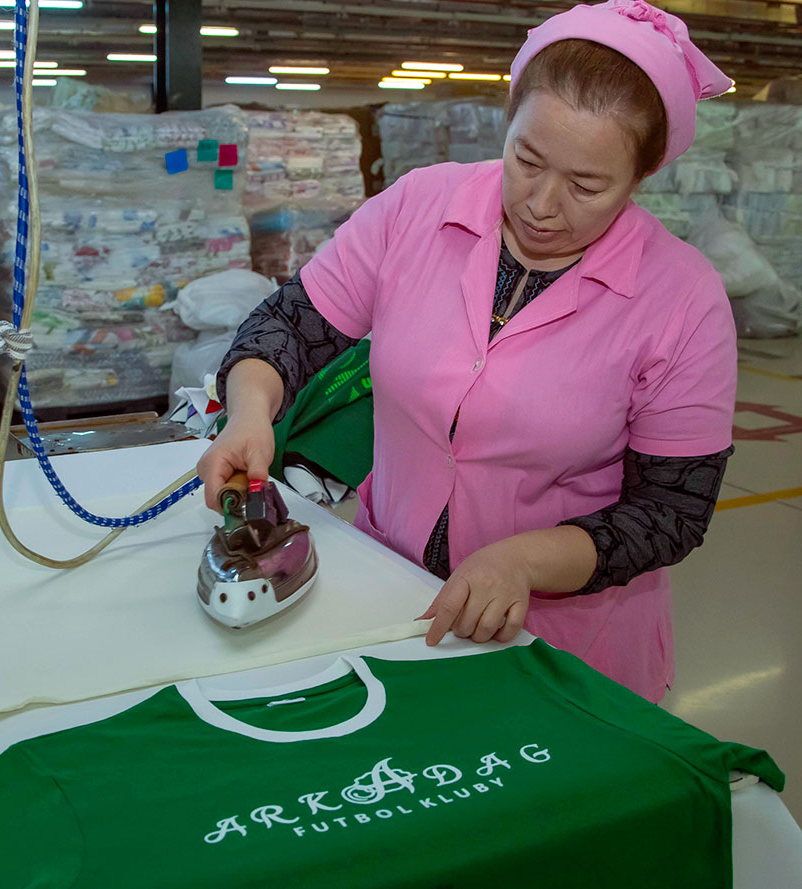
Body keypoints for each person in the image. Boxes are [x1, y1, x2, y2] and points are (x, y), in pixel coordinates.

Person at [197, 0, 736, 703]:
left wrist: (526, 560)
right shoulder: (418, 209)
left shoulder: (683, 298)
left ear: (641, 175)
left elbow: (670, 510)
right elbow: (291, 325)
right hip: (393, 596)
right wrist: (249, 413)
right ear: (507, 121)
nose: (542, 204)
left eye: (586, 185)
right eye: (527, 160)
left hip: (568, 648)